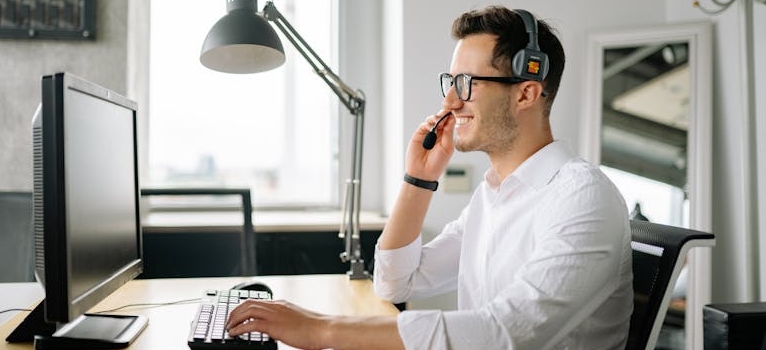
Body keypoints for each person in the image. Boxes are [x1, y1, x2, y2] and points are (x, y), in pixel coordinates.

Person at [226, 5, 633, 350]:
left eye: (466, 84)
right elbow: (395, 284)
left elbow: (506, 332)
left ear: (525, 93)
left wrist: (321, 329)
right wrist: (418, 180)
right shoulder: (494, 195)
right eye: (451, 81)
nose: (450, 101)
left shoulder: (582, 198)